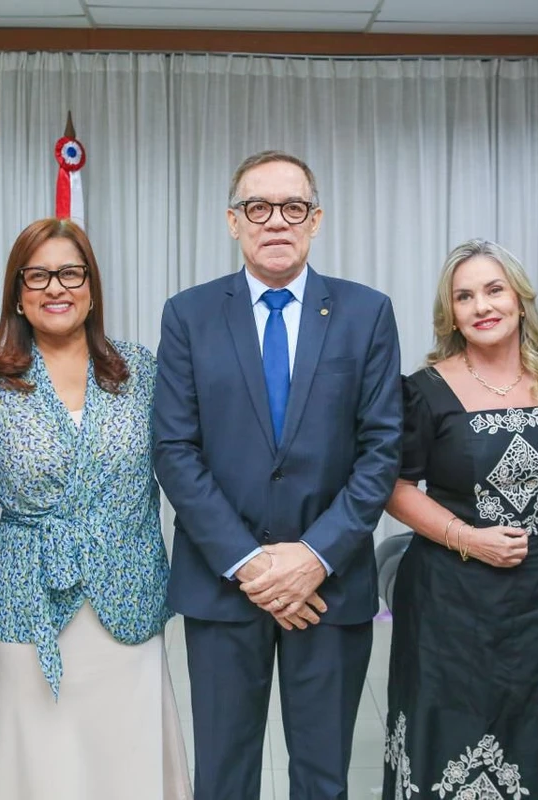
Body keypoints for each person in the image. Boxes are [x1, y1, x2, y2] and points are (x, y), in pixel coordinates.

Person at [153, 150, 403, 799]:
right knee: (224, 776)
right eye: (257, 208)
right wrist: (251, 564)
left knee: (322, 778)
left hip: (330, 585)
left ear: (315, 219)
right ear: (233, 221)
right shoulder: (189, 315)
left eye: (292, 207)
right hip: (222, 584)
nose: (275, 222)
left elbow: (382, 448)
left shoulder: (365, 312)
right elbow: (175, 449)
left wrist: (315, 556)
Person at [0, 217, 191, 800]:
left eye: (70, 272)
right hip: (26, 596)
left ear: (92, 288)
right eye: (36, 275)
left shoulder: (140, 369)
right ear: (17, 293)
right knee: (42, 761)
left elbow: (180, 470)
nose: (55, 288)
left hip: (127, 590)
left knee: (125, 756)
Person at [381, 239, 538, 800]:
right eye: (464, 296)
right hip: (451, 601)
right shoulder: (423, 391)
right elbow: (394, 489)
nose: (482, 306)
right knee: (449, 736)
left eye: (494, 290)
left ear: (520, 298)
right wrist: (470, 538)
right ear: (451, 313)